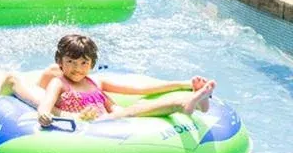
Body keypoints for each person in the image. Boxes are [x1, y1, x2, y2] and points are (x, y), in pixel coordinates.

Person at [36, 34, 214, 126]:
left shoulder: (94, 83)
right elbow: (46, 103)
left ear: (92, 64)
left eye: (84, 63)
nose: (77, 68)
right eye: (71, 62)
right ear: (60, 61)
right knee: (134, 110)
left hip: (107, 120)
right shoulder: (59, 83)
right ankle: (182, 104)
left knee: (134, 109)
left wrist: (123, 112)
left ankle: (199, 102)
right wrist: (44, 114)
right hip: (88, 124)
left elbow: (113, 105)